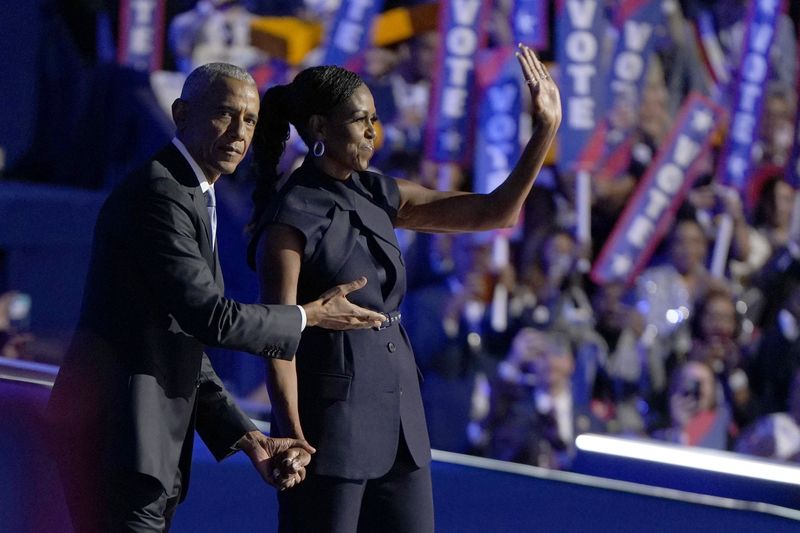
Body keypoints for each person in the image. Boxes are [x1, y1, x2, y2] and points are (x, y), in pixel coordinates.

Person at [46, 62, 386, 533]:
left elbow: (180, 339)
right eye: (225, 114)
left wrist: (247, 437)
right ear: (181, 113)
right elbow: (210, 318)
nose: (239, 132)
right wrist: (307, 316)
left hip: (143, 450)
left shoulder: (191, 193)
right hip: (117, 440)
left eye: (249, 120)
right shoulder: (159, 193)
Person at [247, 44, 560, 532]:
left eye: (375, 118)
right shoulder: (291, 216)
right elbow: (277, 339)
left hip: (400, 424)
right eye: (358, 120)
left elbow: (495, 212)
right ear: (319, 129)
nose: (372, 131)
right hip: (328, 432)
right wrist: (290, 435)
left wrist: (544, 131)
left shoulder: (375, 190)